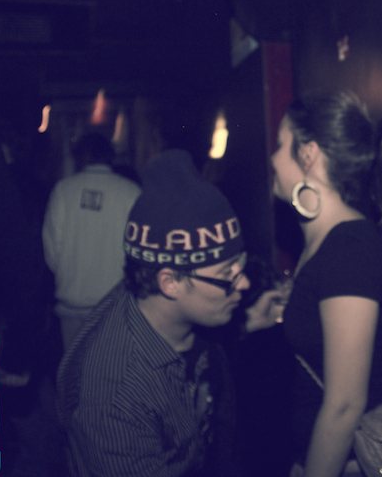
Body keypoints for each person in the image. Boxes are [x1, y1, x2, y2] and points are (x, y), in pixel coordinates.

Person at [56, 148, 276, 477]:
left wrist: (246, 322)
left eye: (240, 264)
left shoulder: (180, 313)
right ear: (170, 283)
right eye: (227, 274)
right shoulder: (112, 395)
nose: (243, 283)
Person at [250, 90, 382, 477]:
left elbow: (344, 406)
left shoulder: (348, 249)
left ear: (308, 154)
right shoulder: (328, 243)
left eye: (280, 144)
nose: (273, 158)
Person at [42, 131, 142, 351]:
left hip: (72, 304)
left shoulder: (63, 190)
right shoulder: (131, 191)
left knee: (75, 369)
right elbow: (138, 249)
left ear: (79, 156)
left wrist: (69, 273)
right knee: (111, 368)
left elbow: (51, 247)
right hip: (116, 306)